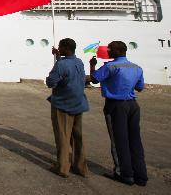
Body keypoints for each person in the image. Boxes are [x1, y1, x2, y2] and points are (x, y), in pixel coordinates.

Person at [89, 41, 148, 187]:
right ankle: (141, 176)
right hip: (133, 106)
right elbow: (140, 87)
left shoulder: (111, 66)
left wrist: (92, 65)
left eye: (110, 49)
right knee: (135, 140)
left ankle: (125, 174)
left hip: (116, 105)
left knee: (118, 140)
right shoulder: (137, 67)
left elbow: (95, 79)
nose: (107, 51)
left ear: (117, 51)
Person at [46, 38, 89, 178]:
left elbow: (51, 82)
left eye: (60, 47)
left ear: (65, 47)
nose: (59, 48)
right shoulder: (79, 62)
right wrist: (58, 57)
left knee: (63, 137)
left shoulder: (61, 65)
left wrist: (58, 61)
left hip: (63, 104)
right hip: (78, 103)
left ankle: (63, 167)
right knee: (77, 137)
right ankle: (80, 167)